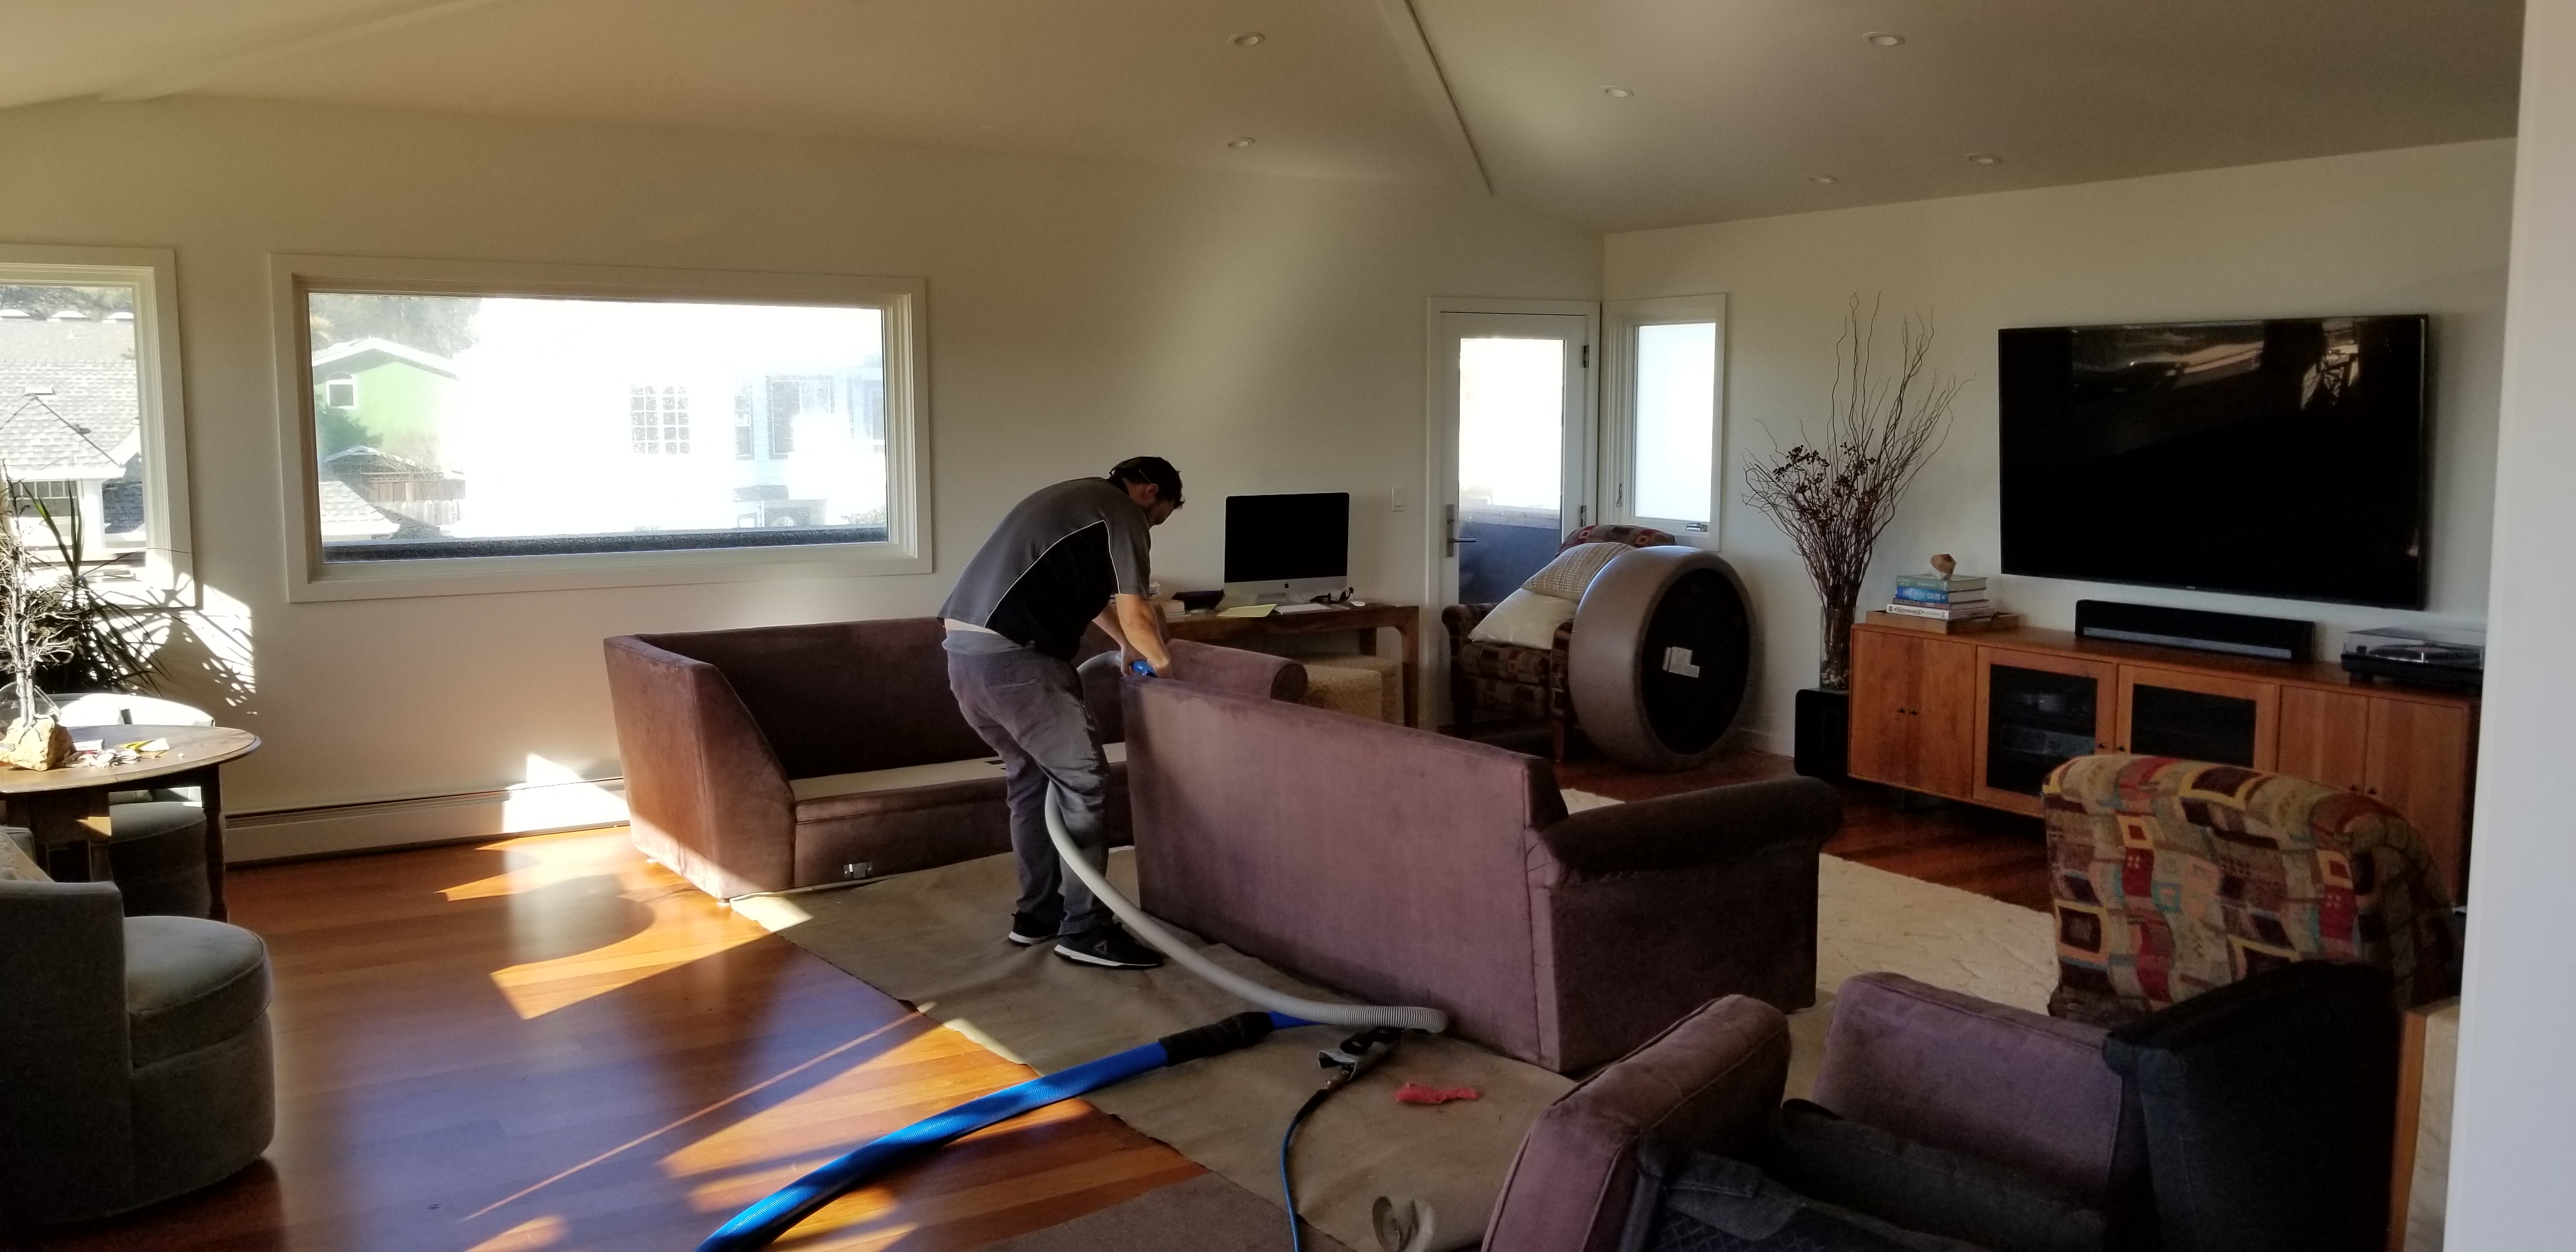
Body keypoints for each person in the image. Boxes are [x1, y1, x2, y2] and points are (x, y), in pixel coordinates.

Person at [939, 456, 1181, 969]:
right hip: (1019, 665)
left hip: (965, 660)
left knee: (1030, 781)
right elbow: (1138, 609)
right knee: (1085, 784)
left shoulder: (1073, 500)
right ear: (1150, 492)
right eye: (1158, 517)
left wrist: (1124, 645)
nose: (1151, 528)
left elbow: (1092, 599)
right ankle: (1086, 930)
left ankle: (1038, 915)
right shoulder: (1121, 510)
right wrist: (1168, 670)